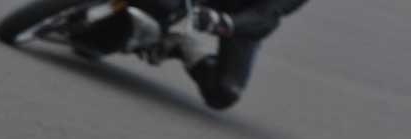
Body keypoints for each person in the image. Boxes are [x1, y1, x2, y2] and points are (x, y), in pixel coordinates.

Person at [71, 0, 308, 110]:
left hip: (236, 13)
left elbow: (267, 17)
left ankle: (180, 45)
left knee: (223, 92)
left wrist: (225, 23)